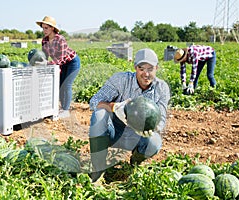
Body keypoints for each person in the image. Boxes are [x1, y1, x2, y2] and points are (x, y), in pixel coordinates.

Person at [88, 48, 170, 182]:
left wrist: (150, 128)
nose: (146, 73)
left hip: (138, 136)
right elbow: (94, 101)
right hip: (115, 131)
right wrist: (115, 107)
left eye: (150, 69)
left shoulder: (161, 88)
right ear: (135, 68)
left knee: (154, 142)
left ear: (157, 68)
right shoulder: (121, 80)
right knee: (99, 115)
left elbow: (161, 120)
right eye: (141, 68)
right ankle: (97, 170)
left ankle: (135, 163)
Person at [36, 16, 80, 118]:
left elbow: (60, 59)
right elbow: (45, 56)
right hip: (61, 64)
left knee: (67, 85)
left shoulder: (60, 39)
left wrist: (47, 64)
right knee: (59, 85)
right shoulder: (44, 41)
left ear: (52, 28)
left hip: (72, 62)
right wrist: (42, 63)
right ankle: (59, 107)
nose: (44, 30)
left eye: (46, 28)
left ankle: (65, 110)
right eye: (43, 28)